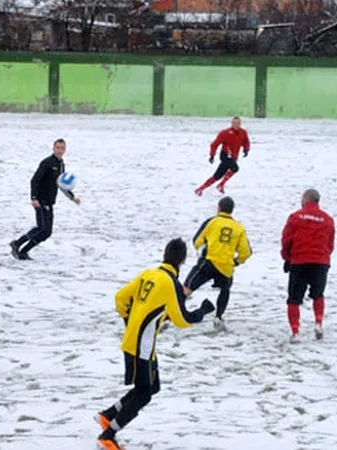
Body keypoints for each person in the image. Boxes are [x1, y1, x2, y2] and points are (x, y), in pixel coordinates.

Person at [96, 238, 215, 450]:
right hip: (142, 346)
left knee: (152, 386)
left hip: (136, 341)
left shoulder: (149, 274)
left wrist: (129, 320)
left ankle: (108, 415)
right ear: (183, 260)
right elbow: (182, 319)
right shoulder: (172, 284)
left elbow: (120, 298)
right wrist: (202, 312)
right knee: (144, 393)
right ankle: (108, 435)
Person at [183, 196, 251, 331]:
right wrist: (236, 262)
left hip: (208, 261)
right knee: (225, 290)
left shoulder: (212, 222)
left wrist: (203, 251)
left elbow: (197, 241)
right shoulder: (239, 228)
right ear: (232, 210)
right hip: (225, 266)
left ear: (219, 207)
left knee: (188, 287)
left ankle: (170, 316)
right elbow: (246, 252)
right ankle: (218, 317)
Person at [9, 138, 80, 260]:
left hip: (50, 201)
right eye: (57, 147)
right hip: (40, 200)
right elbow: (34, 180)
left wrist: (72, 198)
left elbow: (61, 183)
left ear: (65, 150)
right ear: (53, 148)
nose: (59, 150)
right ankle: (17, 243)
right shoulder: (47, 163)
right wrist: (34, 198)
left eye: (62, 148)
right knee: (42, 228)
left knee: (47, 232)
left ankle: (23, 251)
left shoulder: (61, 164)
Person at [281, 189, 335, 343]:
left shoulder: (295, 217)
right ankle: (318, 323)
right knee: (318, 294)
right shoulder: (328, 219)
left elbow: (286, 239)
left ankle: (295, 332)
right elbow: (330, 243)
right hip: (321, 261)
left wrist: (286, 257)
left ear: (305, 199)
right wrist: (324, 256)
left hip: (299, 261)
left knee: (294, 299)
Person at [195, 117, 250, 196]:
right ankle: (221, 185)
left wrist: (246, 149)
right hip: (225, 155)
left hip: (233, 157)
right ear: (231, 123)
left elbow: (246, 142)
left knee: (217, 176)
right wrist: (212, 155)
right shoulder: (225, 133)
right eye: (234, 123)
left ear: (240, 124)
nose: (236, 125)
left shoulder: (243, 132)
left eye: (238, 123)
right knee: (235, 168)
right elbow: (214, 144)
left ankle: (200, 189)